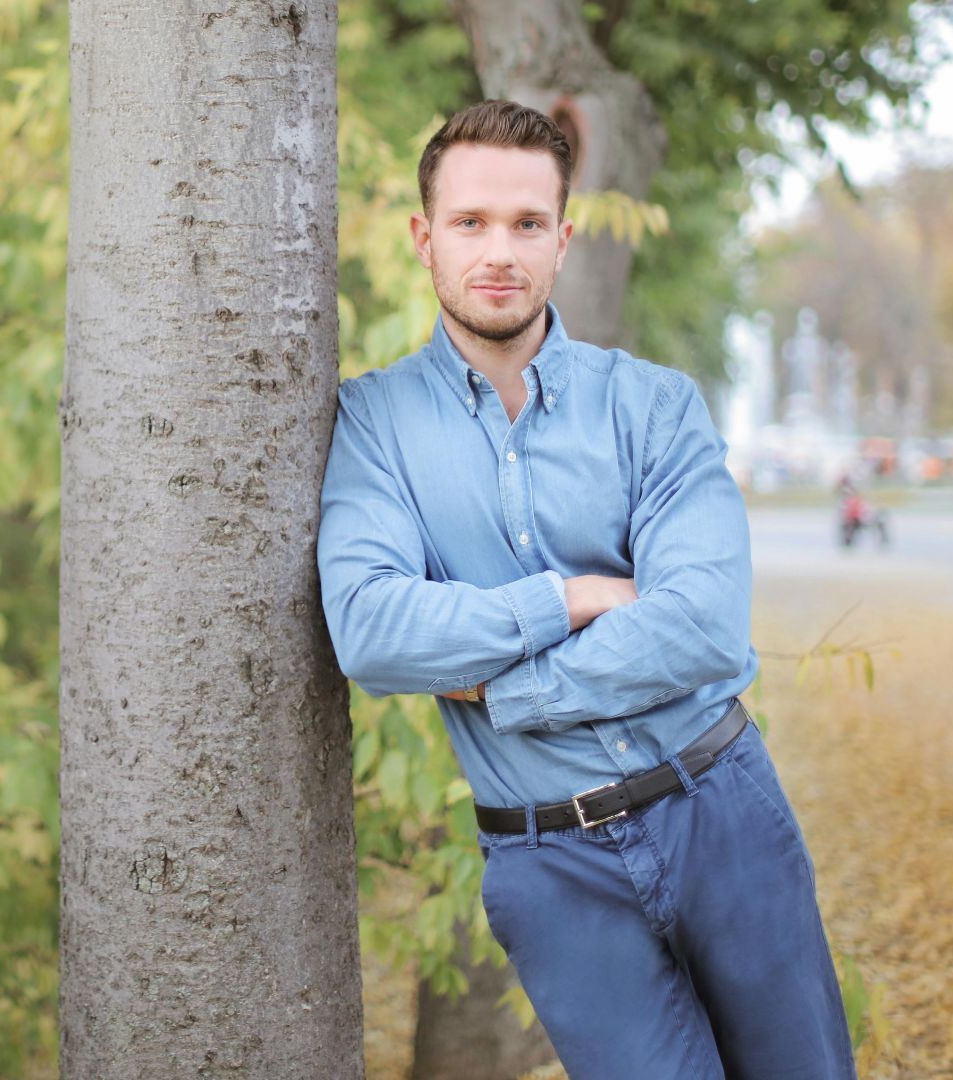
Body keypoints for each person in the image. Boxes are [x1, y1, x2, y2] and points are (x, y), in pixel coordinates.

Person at [314, 100, 855, 1079]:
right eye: (470, 222)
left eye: (527, 224)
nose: (499, 251)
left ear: (563, 241)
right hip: (550, 867)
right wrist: (568, 599)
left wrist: (506, 691)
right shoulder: (374, 424)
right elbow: (372, 630)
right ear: (422, 238)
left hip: (722, 813)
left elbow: (698, 629)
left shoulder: (652, 406)